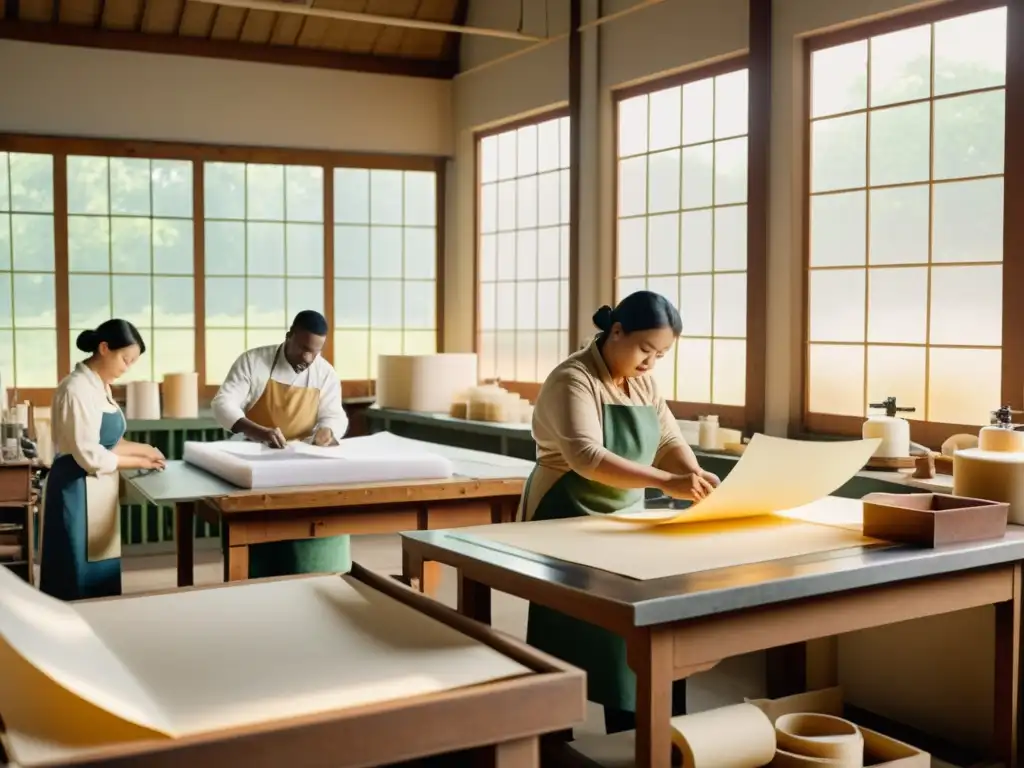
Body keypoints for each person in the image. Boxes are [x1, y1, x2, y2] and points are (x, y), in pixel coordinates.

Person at [520, 291, 721, 735]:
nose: (651, 363)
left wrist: (694, 475)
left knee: (638, 626)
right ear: (616, 332)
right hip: (564, 517)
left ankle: (645, 736)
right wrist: (668, 483)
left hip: (622, 518)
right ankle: (556, 737)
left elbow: (668, 441)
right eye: (645, 350)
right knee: (568, 630)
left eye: (661, 355)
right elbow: (587, 457)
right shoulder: (573, 379)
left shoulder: (644, 382)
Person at [211, 309, 350, 578]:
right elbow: (223, 403)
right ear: (289, 336)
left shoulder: (325, 373)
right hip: (254, 459)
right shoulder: (254, 361)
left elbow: (335, 415)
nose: (308, 358)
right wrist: (260, 432)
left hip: (303, 462)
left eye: (315, 352)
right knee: (256, 533)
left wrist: (328, 431)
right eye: (302, 349)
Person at [40, 320, 166, 601]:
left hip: (98, 487)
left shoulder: (100, 386)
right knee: (74, 569)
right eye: (125, 359)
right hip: (75, 486)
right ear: (104, 348)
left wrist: (144, 449)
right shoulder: (76, 389)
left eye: (132, 362)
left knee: (101, 565)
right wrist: (139, 463)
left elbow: (110, 443)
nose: (127, 367)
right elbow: (88, 453)